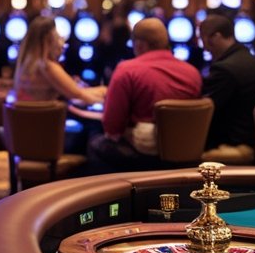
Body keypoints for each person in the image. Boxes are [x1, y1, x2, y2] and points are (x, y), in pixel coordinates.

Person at [85, 17, 202, 173]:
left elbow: (112, 127)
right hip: (184, 154)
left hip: (143, 157)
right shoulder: (193, 73)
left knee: (94, 143)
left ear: (139, 44)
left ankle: (114, 190)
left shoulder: (127, 70)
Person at [199, 13, 255, 156]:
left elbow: (204, 110)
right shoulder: (254, 61)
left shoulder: (224, 69)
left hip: (233, 143)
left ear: (216, 37)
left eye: (203, 38)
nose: (204, 48)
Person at [12, 16, 105, 105]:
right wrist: (106, 100)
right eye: (58, 37)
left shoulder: (29, 62)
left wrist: (102, 91)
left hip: (27, 115)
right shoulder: (46, 66)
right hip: (42, 116)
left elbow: (77, 92)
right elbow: (79, 95)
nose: (61, 42)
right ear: (50, 39)